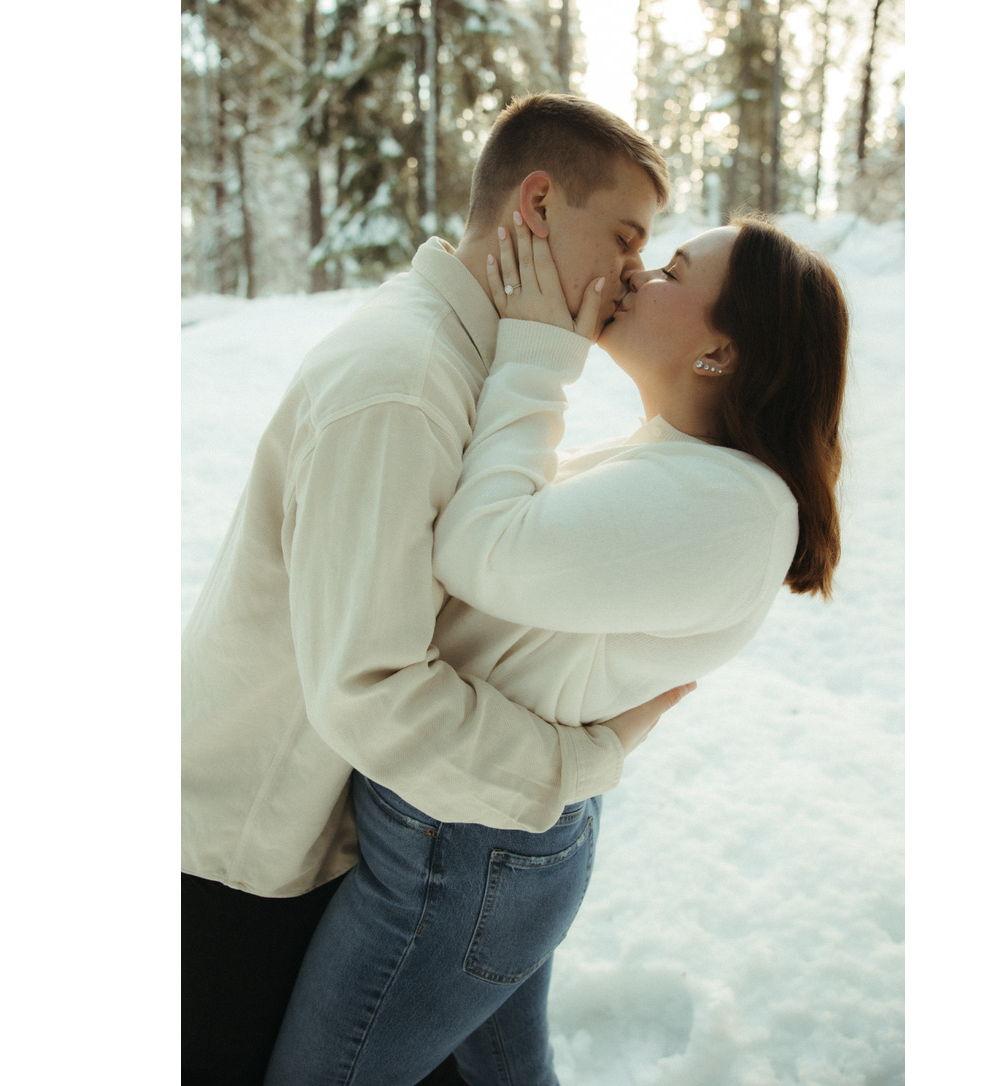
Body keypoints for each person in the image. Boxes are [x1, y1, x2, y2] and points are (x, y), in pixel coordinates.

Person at [261, 216, 849, 1079]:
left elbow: (480, 550)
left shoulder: (732, 509)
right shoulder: (679, 466)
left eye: (672, 271)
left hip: (464, 855)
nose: (637, 274)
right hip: (470, 824)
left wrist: (539, 356)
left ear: (720, 352)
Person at [181, 92, 682, 1085]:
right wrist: (575, 765)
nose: (634, 274)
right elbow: (373, 691)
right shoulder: (406, 382)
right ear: (537, 205)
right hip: (244, 862)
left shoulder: (469, 357)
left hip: (342, 835)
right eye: (625, 239)